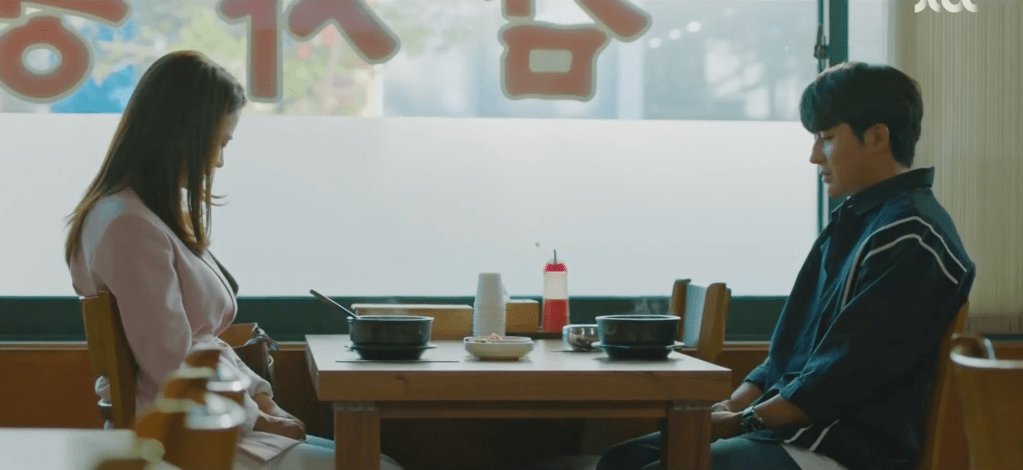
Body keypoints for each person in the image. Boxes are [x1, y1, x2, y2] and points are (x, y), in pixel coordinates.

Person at [596, 62, 976, 470]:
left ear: (877, 137)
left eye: (827, 138)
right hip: (791, 432)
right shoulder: (859, 221)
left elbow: (840, 378)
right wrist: (734, 403)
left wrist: (741, 421)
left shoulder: (912, 237)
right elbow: (795, 351)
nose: (814, 156)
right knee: (622, 460)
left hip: (839, 448)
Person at [64, 50, 403, 470]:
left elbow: (197, 347)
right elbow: (172, 367)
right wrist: (258, 416)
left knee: (375, 459)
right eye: (219, 142)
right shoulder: (129, 227)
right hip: (185, 435)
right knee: (379, 466)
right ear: (183, 134)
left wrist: (262, 401)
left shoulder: (139, 216)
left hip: (208, 418)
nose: (220, 161)